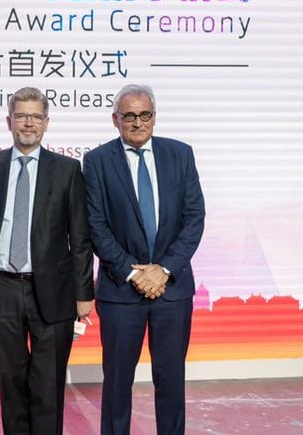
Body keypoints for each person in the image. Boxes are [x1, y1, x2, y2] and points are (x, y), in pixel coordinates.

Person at [0, 87, 94, 434]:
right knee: (10, 384)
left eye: (36, 116)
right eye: (21, 116)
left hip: (53, 289)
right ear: (9, 121)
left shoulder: (67, 170)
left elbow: (80, 238)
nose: (28, 123)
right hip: (2, 288)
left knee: (48, 388)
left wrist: (84, 294)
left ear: (46, 122)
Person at [82, 84, 205, 435]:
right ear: (115, 120)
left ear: (154, 116)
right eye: (130, 116)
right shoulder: (97, 161)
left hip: (172, 290)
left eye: (145, 114)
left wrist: (163, 269)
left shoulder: (180, 154)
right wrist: (133, 274)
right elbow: (96, 225)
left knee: (171, 381)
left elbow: (194, 218)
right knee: (117, 384)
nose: (138, 122)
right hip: (121, 291)